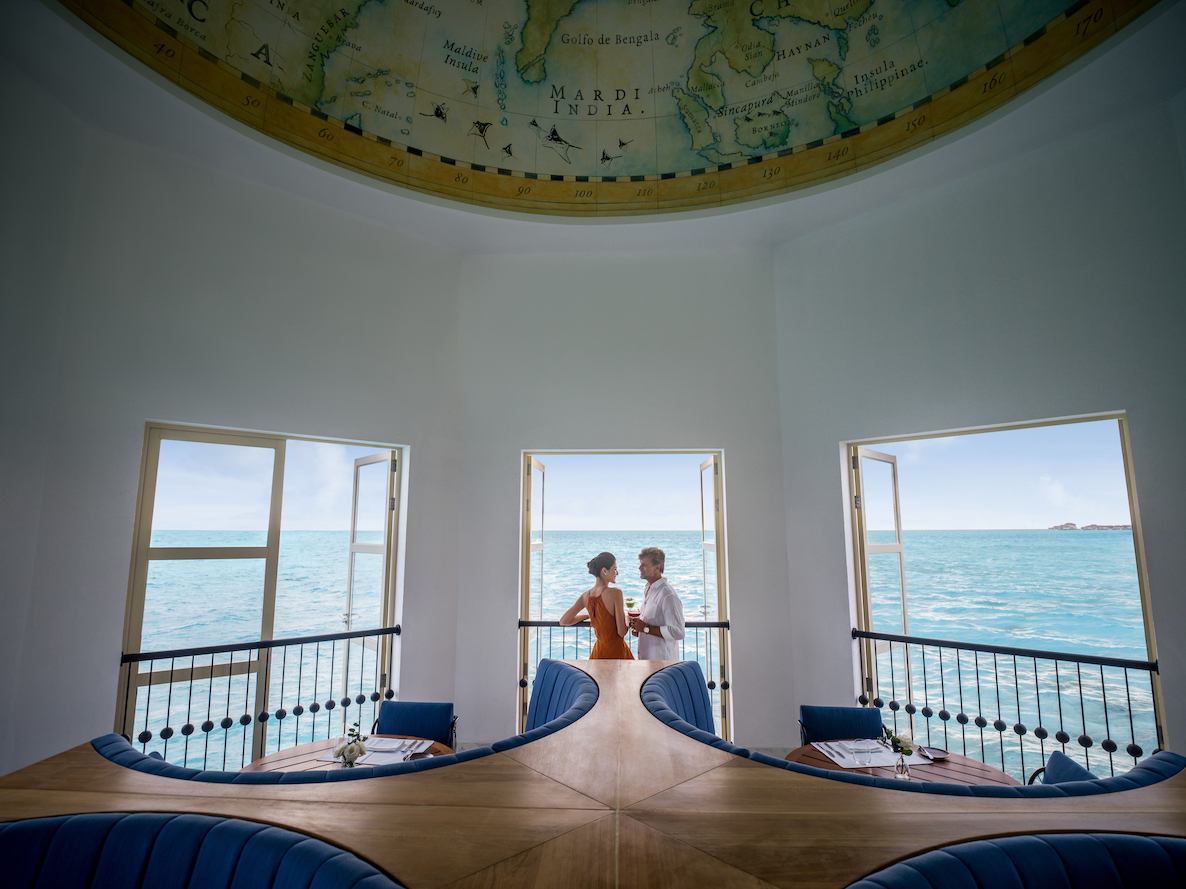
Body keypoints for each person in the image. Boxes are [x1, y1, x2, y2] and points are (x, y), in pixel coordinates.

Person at [559, 551, 633, 660]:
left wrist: (591, 616)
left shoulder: (586, 596)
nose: (617, 573)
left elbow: (564, 621)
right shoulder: (616, 593)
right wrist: (627, 619)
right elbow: (621, 632)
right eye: (615, 569)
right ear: (604, 571)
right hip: (617, 653)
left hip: (597, 655)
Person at [629, 547, 685, 660]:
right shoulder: (648, 589)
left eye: (644, 565)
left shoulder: (668, 595)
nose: (639, 568)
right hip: (647, 661)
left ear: (657, 567)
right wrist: (640, 628)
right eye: (640, 564)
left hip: (662, 662)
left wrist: (645, 628)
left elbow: (678, 632)